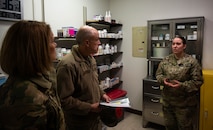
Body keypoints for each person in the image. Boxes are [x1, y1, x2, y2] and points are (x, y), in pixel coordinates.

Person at [0, 20, 66, 130]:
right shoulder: (28, 99)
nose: (55, 45)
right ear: (38, 49)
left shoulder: (42, 78)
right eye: (52, 41)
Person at [56, 25, 111, 130]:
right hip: (79, 123)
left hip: (94, 118)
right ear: (87, 43)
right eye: (97, 40)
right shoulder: (68, 65)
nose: (99, 43)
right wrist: (89, 108)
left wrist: (102, 94)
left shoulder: (90, 58)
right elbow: (63, 100)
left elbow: (94, 82)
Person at [156, 35, 203, 130]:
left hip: (184, 105)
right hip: (168, 102)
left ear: (184, 46)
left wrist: (181, 85)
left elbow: (198, 81)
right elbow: (158, 75)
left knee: (185, 127)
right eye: (173, 44)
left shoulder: (192, 62)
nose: (175, 46)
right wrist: (163, 80)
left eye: (178, 44)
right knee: (169, 126)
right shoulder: (166, 60)